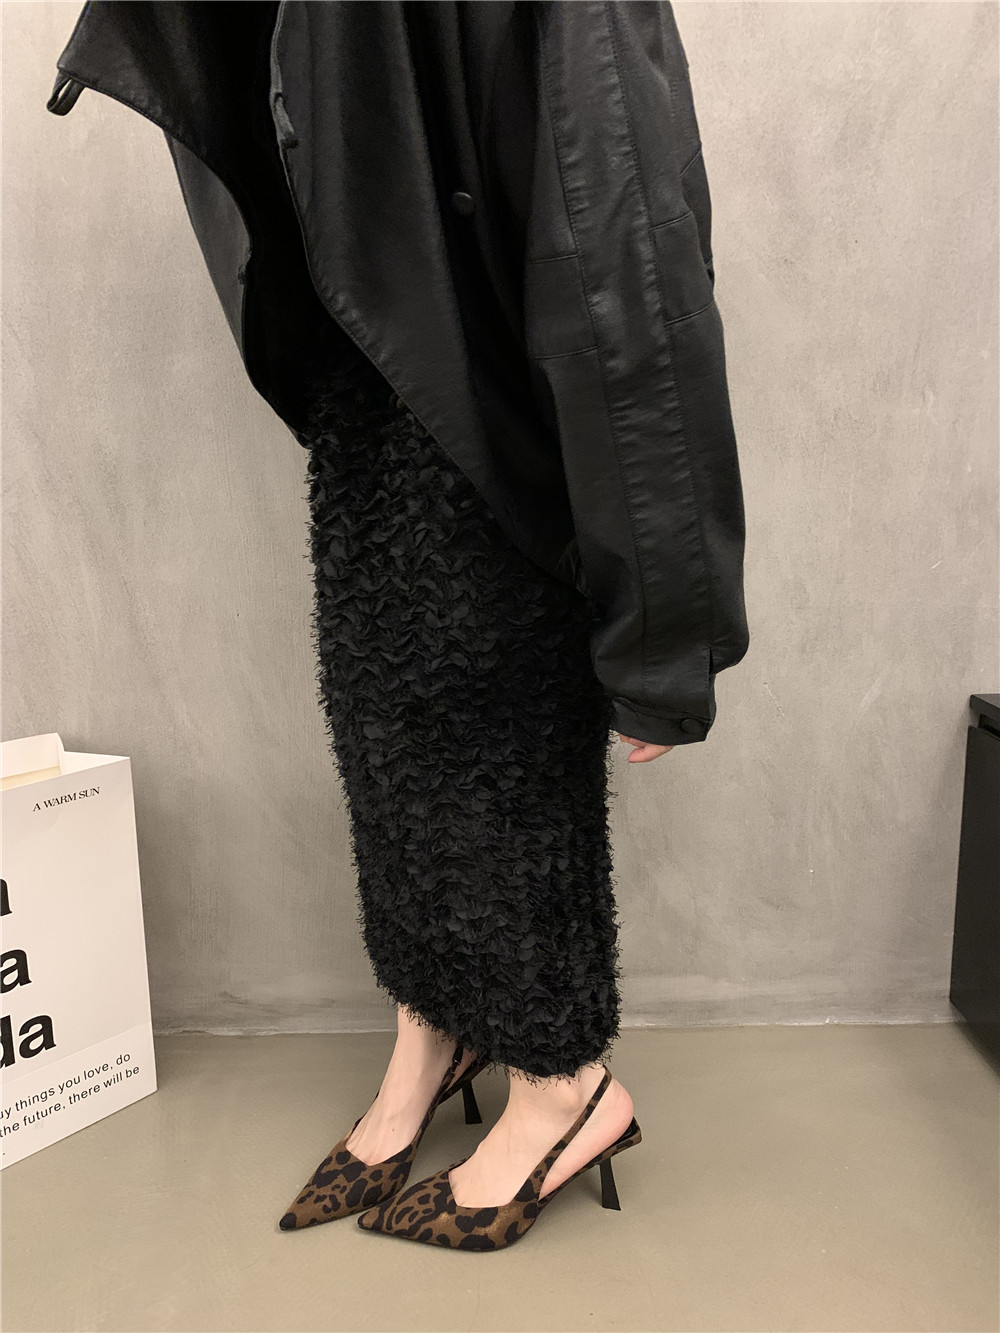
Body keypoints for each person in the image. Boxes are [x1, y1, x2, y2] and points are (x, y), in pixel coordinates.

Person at [46, 0, 749, 1251]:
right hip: (368, 383)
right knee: (388, 727)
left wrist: (665, 628)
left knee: (490, 738)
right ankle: (433, 1024)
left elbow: (625, 247)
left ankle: (563, 1082)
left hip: (494, 389)